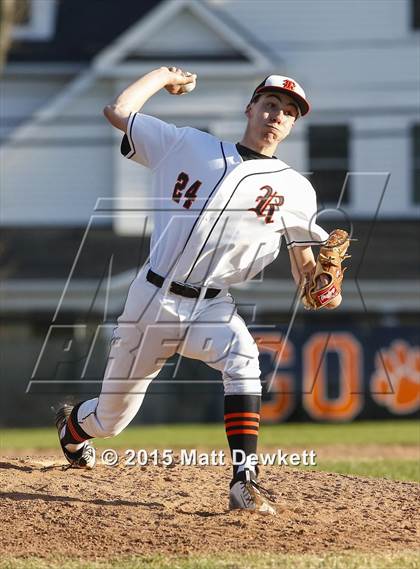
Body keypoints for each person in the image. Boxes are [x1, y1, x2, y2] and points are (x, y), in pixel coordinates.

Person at [55, 67, 340, 515]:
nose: (277, 115)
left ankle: (244, 481)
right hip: (152, 299)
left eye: (288, 112)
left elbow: (304, 263)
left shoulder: (296, 189)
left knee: (244, 361)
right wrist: (163, 75)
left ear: (292, 124)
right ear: (250, 108)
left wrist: (321, 285)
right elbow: (118, 110)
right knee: (111, 419)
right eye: (269, 104)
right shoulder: (187, 144)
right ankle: (72, 429)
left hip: (212, 305)